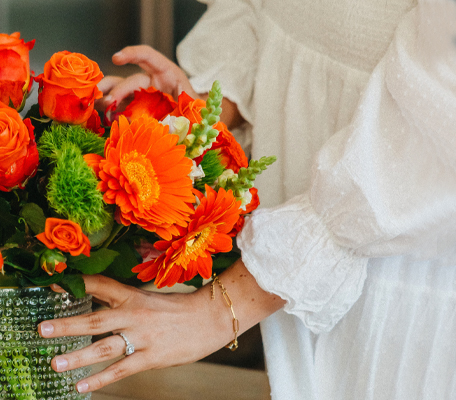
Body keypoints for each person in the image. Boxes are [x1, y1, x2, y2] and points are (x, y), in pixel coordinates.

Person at [38, 0, 456, 398]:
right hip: (287, 289)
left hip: (398, 286)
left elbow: (433, 134)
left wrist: (218, 312)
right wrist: (193, 116)